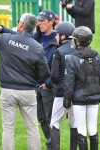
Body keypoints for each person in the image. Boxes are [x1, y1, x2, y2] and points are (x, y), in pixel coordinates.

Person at [0, 13, 50, 150]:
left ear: (21, 24)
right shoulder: (37, 47)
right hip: (28, 92)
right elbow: (44, 74)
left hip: (7, 91)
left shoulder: (5, 39)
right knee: (32, 127)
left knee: (8, 128)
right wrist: (32, 80)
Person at [63, 26, 100, 150]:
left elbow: (69, 84)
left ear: (78, 41)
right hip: (94, 98)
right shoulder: (99, 57)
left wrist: (66, 104)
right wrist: (99, 97)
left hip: (78, 100)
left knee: (81, 129)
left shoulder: (71, 58)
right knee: (93, 128)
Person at [50, 21, 77, 150]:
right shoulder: (78, 50)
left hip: (61, 93)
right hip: (76, 93)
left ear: (64, 36)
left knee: (54, 123)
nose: (55, 37)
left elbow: (54, 76)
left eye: (57, 34)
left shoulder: (58, 52)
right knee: (74, 124)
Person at [34, 9, 59, 150]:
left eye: (42, 21)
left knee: (51, 120)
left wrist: (48, 84)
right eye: (39, 21)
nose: (40, 23)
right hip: (36, 86)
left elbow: (59, 68)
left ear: (51, 22)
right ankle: (50, 144)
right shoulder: (37, 36)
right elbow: (19, 37)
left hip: (49, 88)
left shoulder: (58, 40)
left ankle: (53, 147)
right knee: (42, 119)